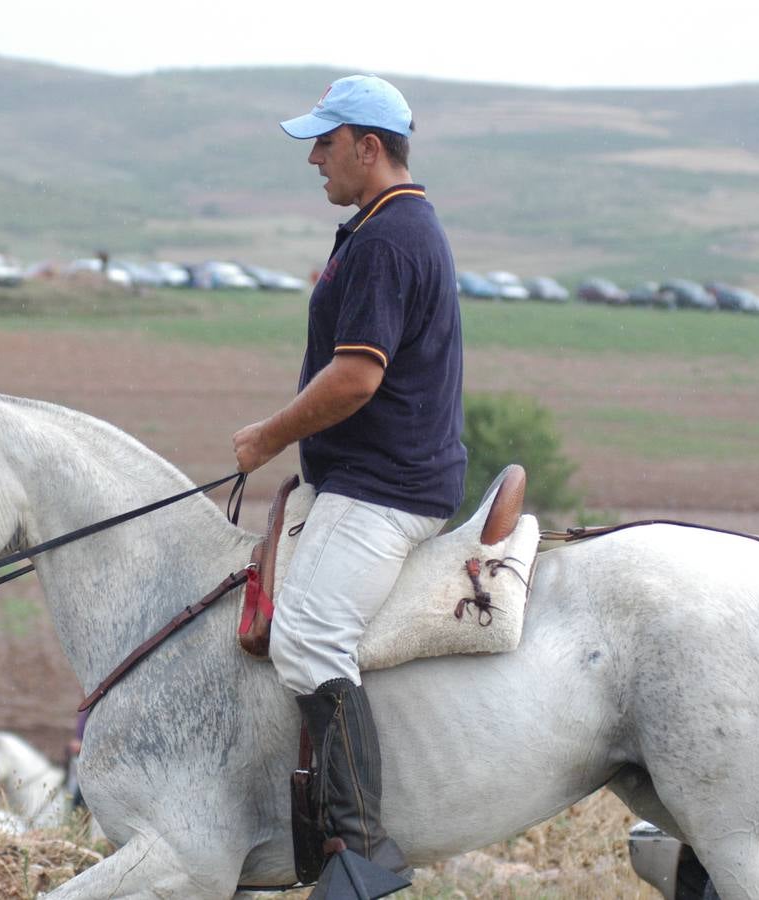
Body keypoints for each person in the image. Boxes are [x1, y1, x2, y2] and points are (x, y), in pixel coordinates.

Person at [232, 74, 466, 884]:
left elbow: (356, 378)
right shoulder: (378, 229)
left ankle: (361, 847)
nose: (313, 161)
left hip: (384, 488)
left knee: (307, 637)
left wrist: (266, 437)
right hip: (369, 478)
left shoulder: (388, 240)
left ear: (368, 147)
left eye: (324, 145)